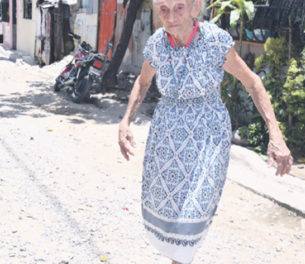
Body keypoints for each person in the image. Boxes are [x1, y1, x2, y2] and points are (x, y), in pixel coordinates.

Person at [118, 0, 293, 263]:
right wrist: (125, 121)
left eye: (179, 7)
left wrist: (275, 135)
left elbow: (252, 83)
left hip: (207, 137)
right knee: (167, 211)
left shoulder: (215, 42)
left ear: (194, 7)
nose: (170, 16)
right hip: (166, 138)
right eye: (164, 9)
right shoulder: (157, 43)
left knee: (193, 212)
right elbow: (143, 83)